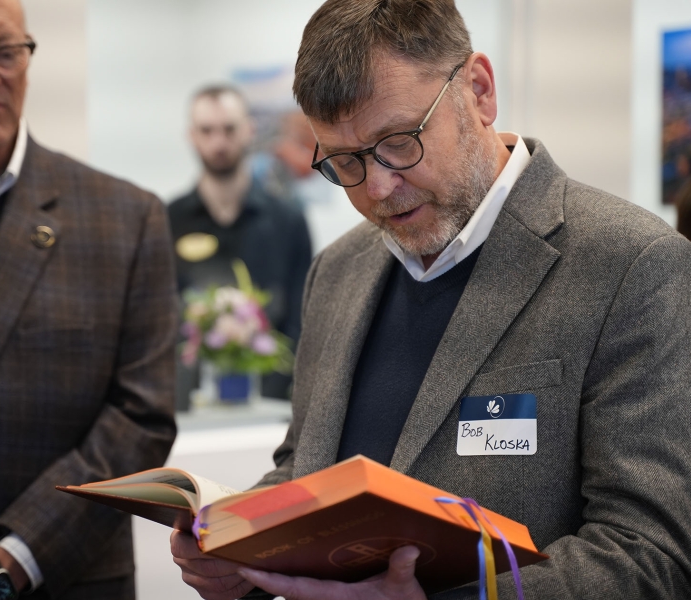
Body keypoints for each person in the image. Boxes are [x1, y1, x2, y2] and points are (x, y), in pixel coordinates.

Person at [169, 0, 691, 599]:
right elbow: (304, 467)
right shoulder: (337, 271)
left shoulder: (631, 265)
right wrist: (240, 545)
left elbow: (650, 553)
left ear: (479, 90)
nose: (379, 188)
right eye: (344, 162)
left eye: (398, 142)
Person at [0, 0, 177, 598]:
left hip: (64, 579)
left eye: (4, 53)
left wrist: (5, 562)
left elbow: (140, 418)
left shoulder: (125, 219)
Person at [168, 85, 312, 401]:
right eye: (207, 130)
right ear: (192, 135)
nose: (219, 141)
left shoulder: (287, 220)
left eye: (229, 129)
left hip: (273, 405)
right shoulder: (167, 221)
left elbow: (303, 317)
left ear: (249, 130)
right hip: (188, 405)